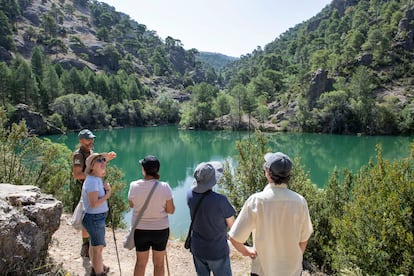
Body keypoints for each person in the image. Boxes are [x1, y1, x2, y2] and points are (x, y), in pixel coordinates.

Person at [228, 152, 313, 276]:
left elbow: (234, 238)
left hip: (263, 270)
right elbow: (304, 238)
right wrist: (296, 257)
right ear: (289, 175)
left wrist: (248, 252)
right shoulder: (300, 201)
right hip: (293, 271)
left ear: (267, 173)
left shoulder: (256, 201)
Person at [128, 155, 175, 276]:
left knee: (140, 263)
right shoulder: (165, 187)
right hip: (160, 230)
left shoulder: (134, 185)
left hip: (140, 230)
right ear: (157, 170)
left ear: (143, 169)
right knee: (159, 263)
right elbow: (171, 210)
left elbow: (132, 205)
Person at [186, 161, 236, 276]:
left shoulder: (189, 195)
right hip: (217, 250)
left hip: (198, 248)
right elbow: (232, 225)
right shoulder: (221, 200)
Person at [72, 129, 116, 258]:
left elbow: (94, 167)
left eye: (92, 139)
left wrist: (106, 159)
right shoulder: (78, 155)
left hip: (93, 188)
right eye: (88, 139)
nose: (91, 141)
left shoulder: (90, 153)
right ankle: (87, 247)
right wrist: (93, 176)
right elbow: (77, 174)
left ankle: (88, 248)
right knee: (88, 217)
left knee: (90, 217)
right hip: (86, 190)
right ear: (80, 140)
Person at [81, 152, 111, 276]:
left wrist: (107, 158)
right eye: (99, 161)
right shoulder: (93, 181)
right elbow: (94, 203)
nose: (103, 162)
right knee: (98, 248)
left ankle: (95, 269)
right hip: (94, 218)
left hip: (95, 217)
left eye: (103, 160)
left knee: (94, 246)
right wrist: (107, 194)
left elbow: (102, 168)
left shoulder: (97, 178)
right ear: (92, 166)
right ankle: (99, 273)